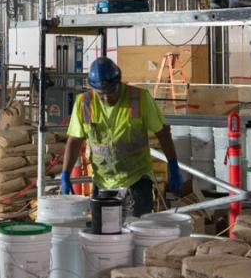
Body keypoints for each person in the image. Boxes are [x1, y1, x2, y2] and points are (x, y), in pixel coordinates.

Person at [59, 57, 184, 217]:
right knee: (105, 235)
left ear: (119, 82)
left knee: (135, 233)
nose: (106, 98)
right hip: (103, 182)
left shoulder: (139, 99)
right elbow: (75, 140)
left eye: (111, 92)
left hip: (136, 180)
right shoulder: (84, 103)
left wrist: (172, 164)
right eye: (101, 94)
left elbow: (162, 133)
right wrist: (65, 174)